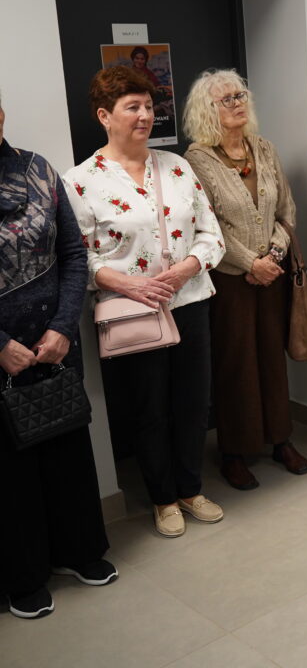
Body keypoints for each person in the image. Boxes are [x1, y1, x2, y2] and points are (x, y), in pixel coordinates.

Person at [64, 66, 226, 538]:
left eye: (149, 107)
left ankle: (191, 488)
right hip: (131, 309)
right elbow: (78, 256)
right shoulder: (81, 181)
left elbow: (211, 233)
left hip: (190, 300)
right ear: (104, 116)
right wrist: (129, 284)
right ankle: (163, 498)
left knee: (193, 402)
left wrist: (188, 267)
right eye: (132, 107)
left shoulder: (176, 166)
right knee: (149, 407)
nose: (144, 116)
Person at [0, 91, 117, 618]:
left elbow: (73, 253)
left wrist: (64, 326)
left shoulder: (38, 169)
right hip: (2, 351)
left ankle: (78, 551)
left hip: (54, 342)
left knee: (66, 449)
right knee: (9, 470)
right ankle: (21, 577)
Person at [183, 69, 307, 490]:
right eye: (226, 99)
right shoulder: (197, 160)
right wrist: (249, 263)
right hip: (229, 281)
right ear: (207, 110)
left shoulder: (264, 148)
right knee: (236, 364)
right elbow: (207, 225)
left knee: (272, 358)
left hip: (272, 274)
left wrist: (273, 255)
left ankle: (281, 440)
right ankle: (235, 452)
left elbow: (286, 210)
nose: (237, 103)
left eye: (240, 95)